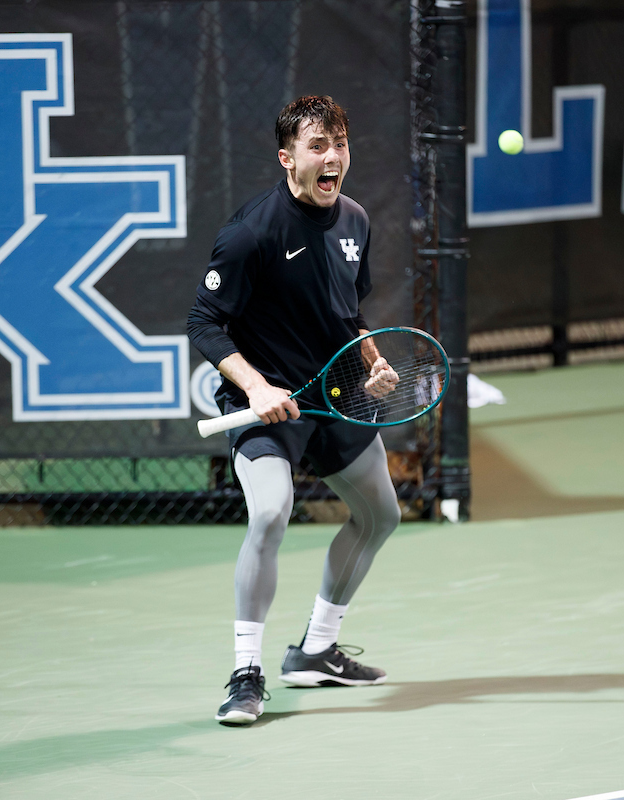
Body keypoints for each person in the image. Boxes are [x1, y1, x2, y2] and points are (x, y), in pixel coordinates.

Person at [187, 96, 402, 726]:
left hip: (332, 393)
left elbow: (346, 310)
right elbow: (203, 322)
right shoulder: (252, 232)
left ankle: (315, 650)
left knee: (381, 515)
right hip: (266, 398)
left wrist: (371, 360)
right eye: (317, 146)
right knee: (273, 511)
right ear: (288, 159)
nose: (332, 157)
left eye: (340, 143)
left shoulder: (356, 221)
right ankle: (246, 671)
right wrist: (255, 388)